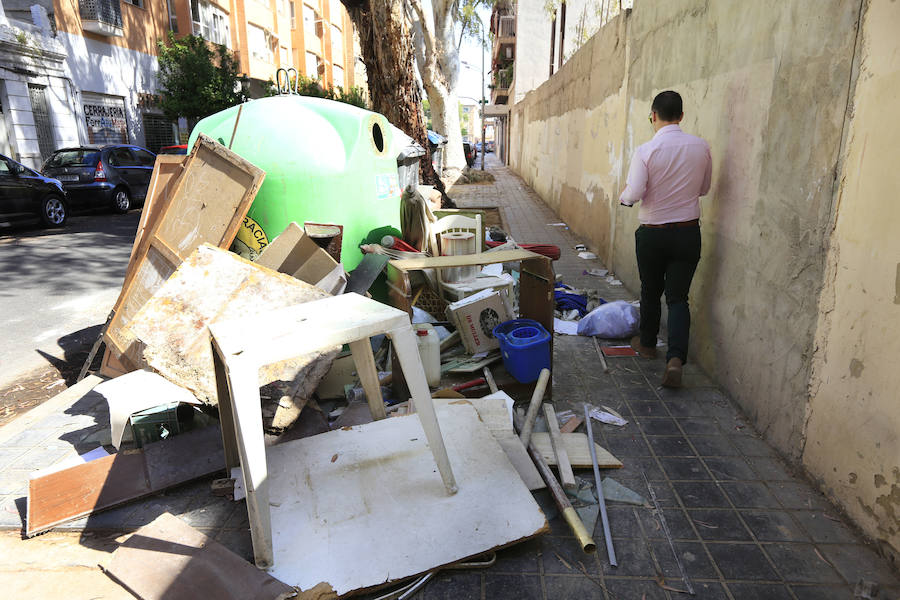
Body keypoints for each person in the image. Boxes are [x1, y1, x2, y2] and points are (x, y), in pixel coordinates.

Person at [619, 90, 712, 387]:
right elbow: (705, 188)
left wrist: (624, 198)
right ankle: (675, 358)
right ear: (682, 116)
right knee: (678, 298)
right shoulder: (701, 147)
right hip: (687, 232)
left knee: (650, 290)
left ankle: (647, 345)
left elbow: (633, 194)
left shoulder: (646, 151)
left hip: (653, 233)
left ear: (653, 115)